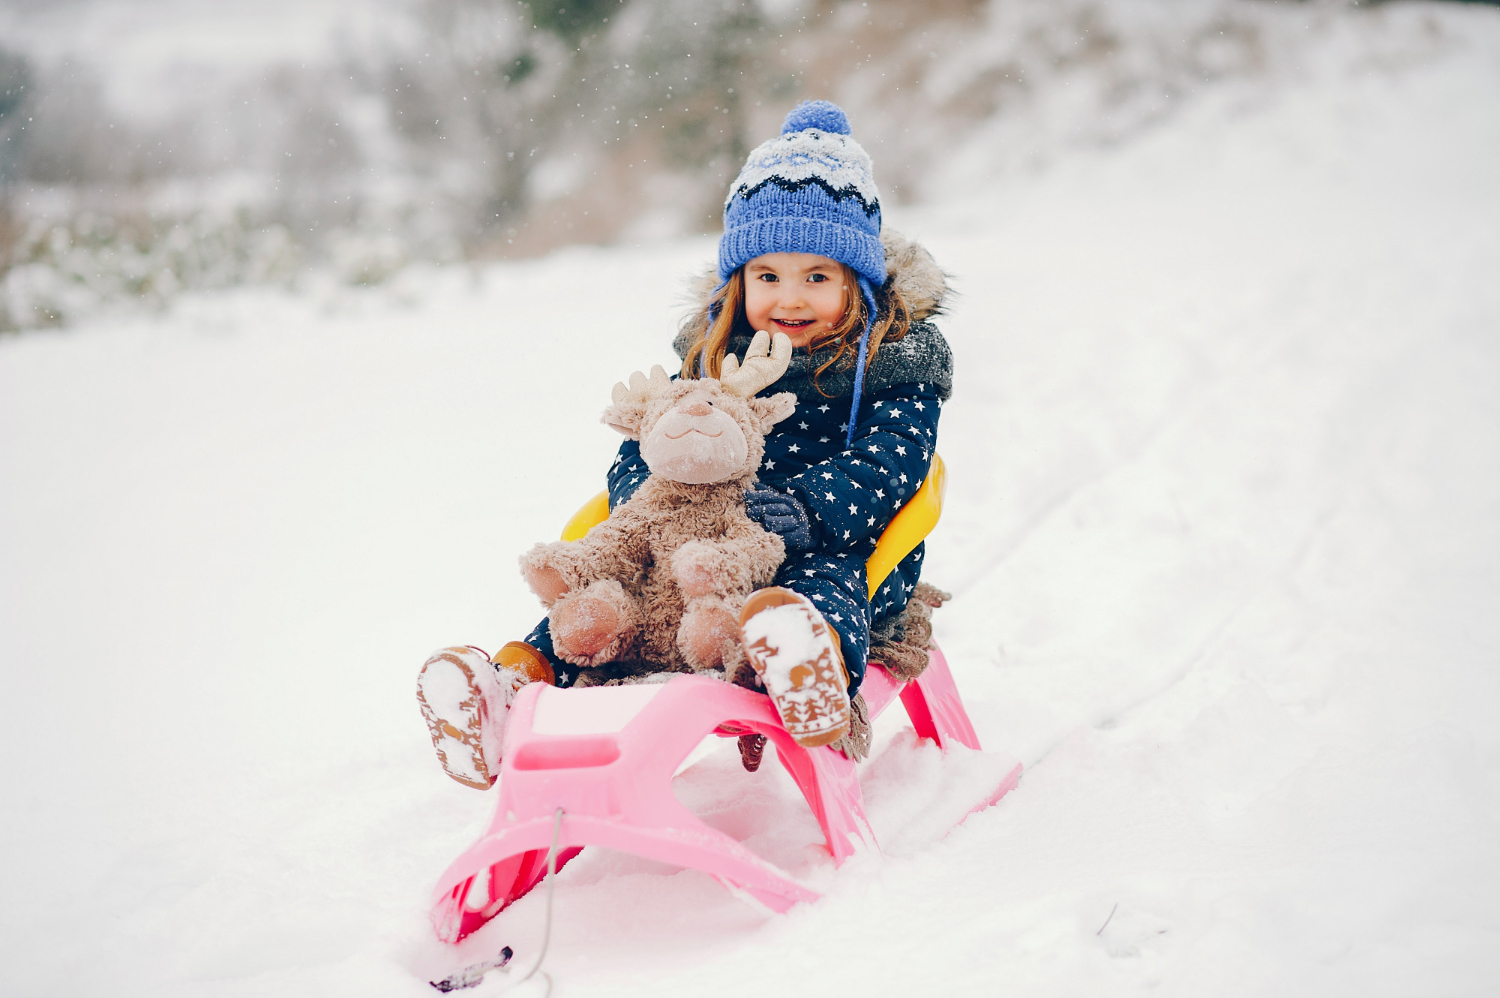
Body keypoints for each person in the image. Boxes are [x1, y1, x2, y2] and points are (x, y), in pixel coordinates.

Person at [416, 100, 953, 789]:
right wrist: (648, 509)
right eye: (768, 276)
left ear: (858, 284)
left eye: (817, 276)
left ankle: (807, 671)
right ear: (739, 283)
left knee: (818, 588)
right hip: (690, 547)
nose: (790, 297)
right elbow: (650, 439)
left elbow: (895, 466)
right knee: (604, 597)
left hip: (836, 542)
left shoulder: (893, 371)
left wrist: (809, 512)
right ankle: (508, 691)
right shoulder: (708, 363)